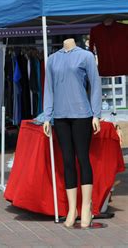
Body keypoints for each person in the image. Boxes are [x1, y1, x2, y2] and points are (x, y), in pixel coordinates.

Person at [43, 38, 101, 229]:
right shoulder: (52, 59)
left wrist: (96, 114)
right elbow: (49, 90)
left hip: (82, 115)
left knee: (83, 159)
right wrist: (47, 116)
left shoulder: (86, 56)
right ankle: (72, 209)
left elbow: (95, 84)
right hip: (60, 117)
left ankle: (86, 207)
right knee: (68, 161)